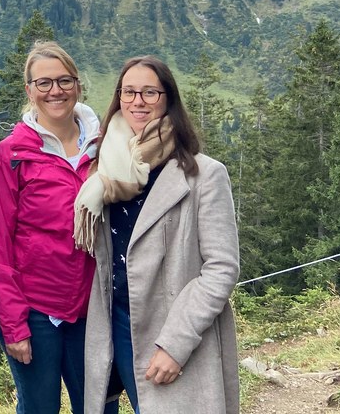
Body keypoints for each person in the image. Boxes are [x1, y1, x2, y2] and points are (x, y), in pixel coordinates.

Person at [73, 55, 240, 414]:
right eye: (129, 92)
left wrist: (175, 344)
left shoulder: (204, 175)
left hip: (172, 326)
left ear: (168, 100)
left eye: (150, 92)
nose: (138, 101)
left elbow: (222, 268)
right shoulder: (105, 173)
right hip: (116, 323)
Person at [0, 41, 116, 414]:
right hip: (34, 308)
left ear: (78, 85)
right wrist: (14, 325)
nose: (55, 91)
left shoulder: (106, 147)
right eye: (44, 83)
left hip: (92, 308)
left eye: (64, 80)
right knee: (39, 407)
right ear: (30, 90)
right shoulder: (13, 153)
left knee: (99, 406)